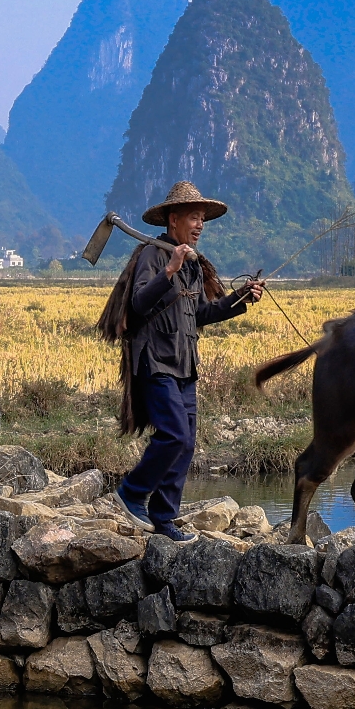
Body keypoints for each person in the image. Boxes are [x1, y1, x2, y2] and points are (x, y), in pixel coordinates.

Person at [97, 181, 263, 539]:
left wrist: (242, 298)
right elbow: (139, 304)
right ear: (173, 220)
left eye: (203, 219)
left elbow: (201, 312)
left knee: (186, 442)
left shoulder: (193, 265)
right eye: (193, 217)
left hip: (185, 366)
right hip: (155, 361)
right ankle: (132, 492)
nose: (200, 224)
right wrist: (168, 270)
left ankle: (163, 516)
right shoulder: (154, 256)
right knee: (173, 434)